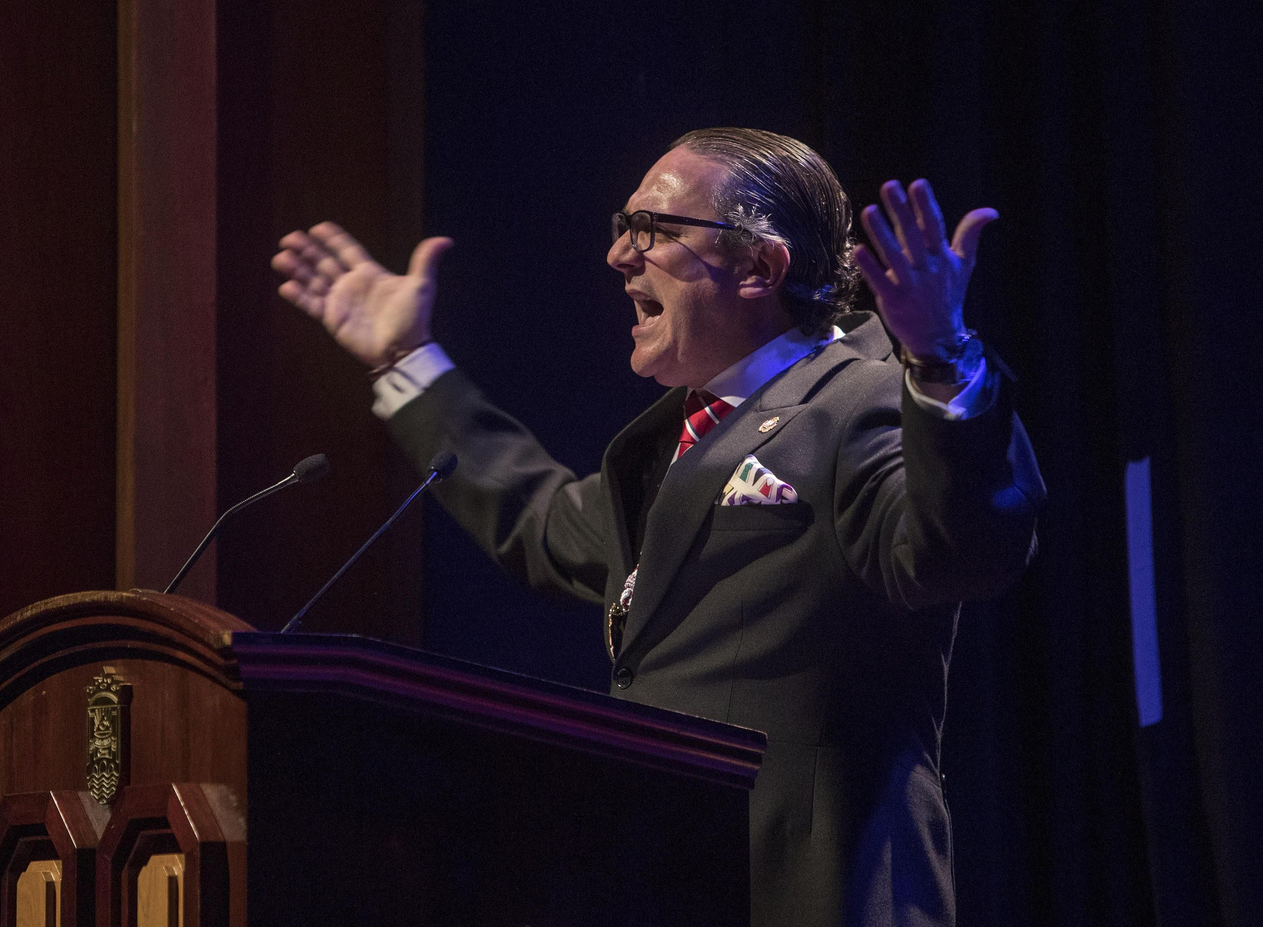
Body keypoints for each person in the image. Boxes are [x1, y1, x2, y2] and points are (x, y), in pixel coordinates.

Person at [271, 127, 1044, 927]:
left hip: (811, 893)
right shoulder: (671, 442)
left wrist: (943, 360)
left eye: (654, 231)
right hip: (664, 880)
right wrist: (406, 360)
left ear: (759, 267)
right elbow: (540, 525)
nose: (619, 256)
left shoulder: (865, 400)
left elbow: (960, 553)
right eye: (624, 227)